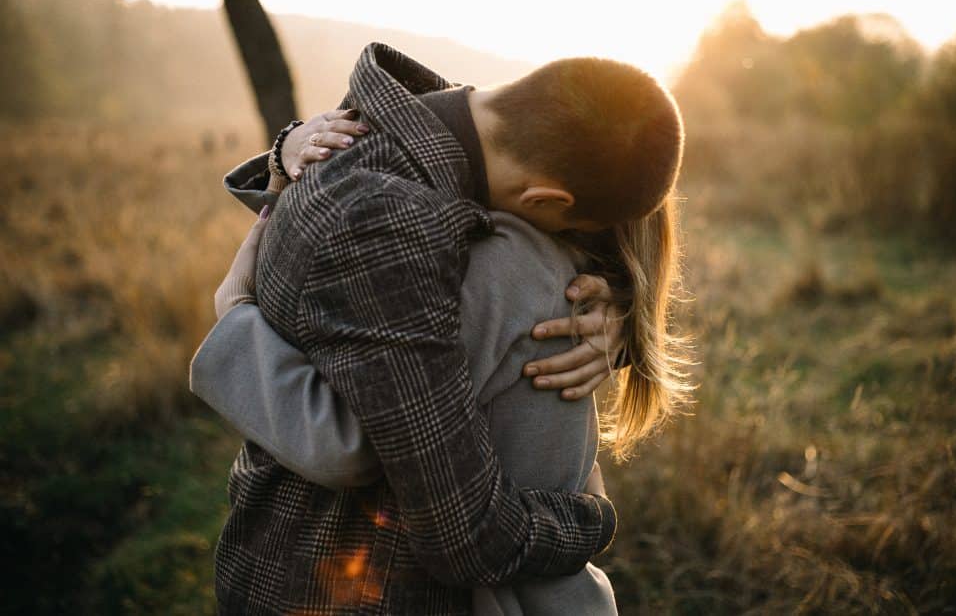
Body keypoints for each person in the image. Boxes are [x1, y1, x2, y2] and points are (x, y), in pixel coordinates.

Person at [193, 42, 684, 614]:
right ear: (546, 199)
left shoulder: (391, 127)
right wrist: (590, 517)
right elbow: (462, 534)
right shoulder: (400, 229)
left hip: (279, 565)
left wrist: (624, 306)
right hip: (351, 591)